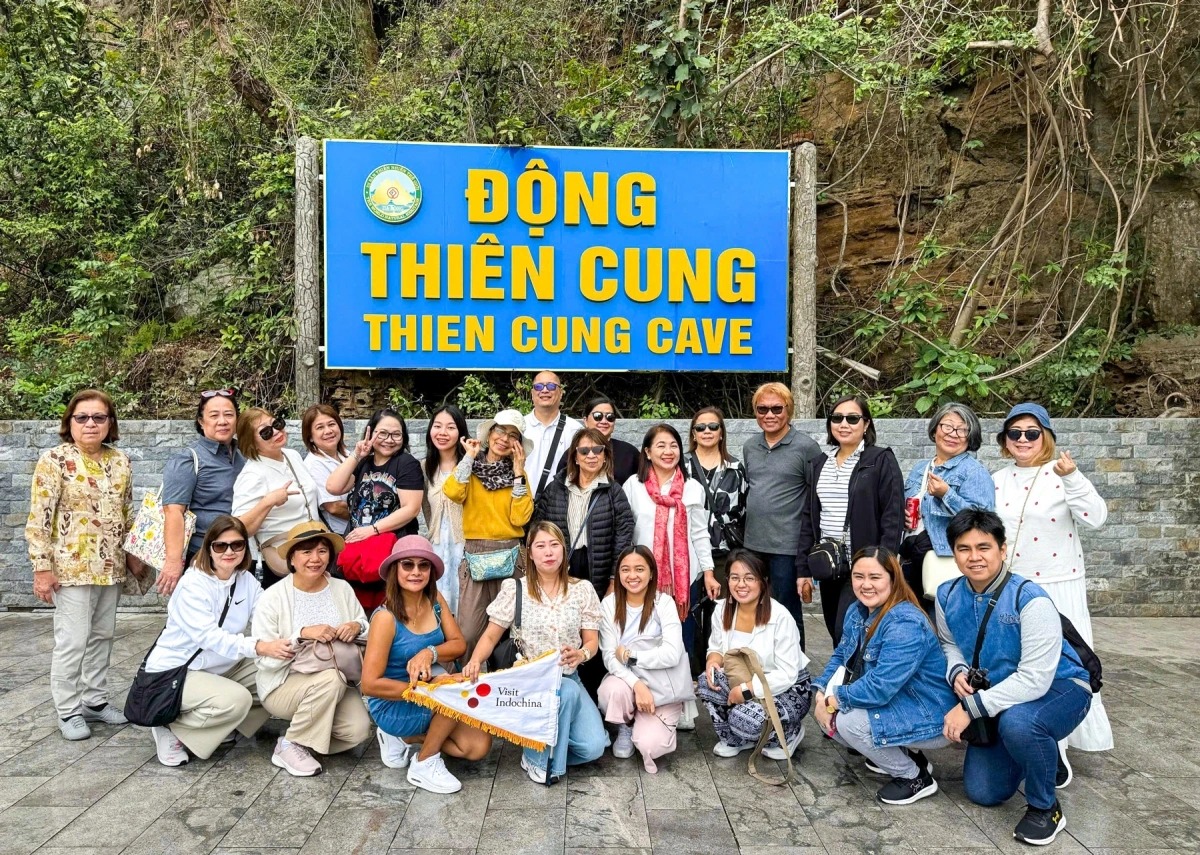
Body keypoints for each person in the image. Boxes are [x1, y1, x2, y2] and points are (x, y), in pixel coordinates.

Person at [937, 510, 1093, 846]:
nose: (974, 557)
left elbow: (1036, 679)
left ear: (1002, 550)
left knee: (1020, 724)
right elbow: (950, 644)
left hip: (1060, 688)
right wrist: (957, 671)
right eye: (964, 548)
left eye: (984, 547)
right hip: (1004, 693)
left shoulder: (1030, 598)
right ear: (954, 552)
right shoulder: (946, 594)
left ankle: (1044, 807)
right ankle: (1040, 755)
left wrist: (970, 707)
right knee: (984, 792)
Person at [992, 402, 1112, 763]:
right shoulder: (996, 479)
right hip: (1013, 586)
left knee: (1065, 663)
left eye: (1032, 433)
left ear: (1046, 436)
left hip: (1058, 584)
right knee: (1020, 662)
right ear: (1005, 440)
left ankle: (1055, 746)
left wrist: (1073, 477)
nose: (1023, 439)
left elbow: (1097, 518)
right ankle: (1020, 735)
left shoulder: (1062, 473)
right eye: (1016, 433)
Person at [27, 389, 139, 740]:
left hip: (110, 566)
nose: (90, 424)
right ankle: (68, 709)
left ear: (110, 423)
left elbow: (128, 512)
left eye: (99, 417)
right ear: (70, 422)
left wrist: (136, 553)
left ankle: (95, 701)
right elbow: (39, 519)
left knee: (102, 637)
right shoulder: (54, 460)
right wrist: (42, 568)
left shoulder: (120, 461)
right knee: (73, 640)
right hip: (70, 569)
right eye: (82, 418)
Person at [463, 522, 607, 783]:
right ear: (530, 553)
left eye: (554, 545)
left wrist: (581, 654)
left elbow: (591, 642)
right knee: (568, 692)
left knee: (593, 748)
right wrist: (475, 661)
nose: (548, 552)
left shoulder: (582, 589)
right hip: (531, 684)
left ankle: (544, 749)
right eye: (540, 546)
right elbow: (491, 635)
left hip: (569, 676)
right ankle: (540, 763)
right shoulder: (515, 589)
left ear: (563, 550)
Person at [144, 516, 290, 766]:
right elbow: (210, 638)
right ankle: (170, 726)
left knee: (277, 675)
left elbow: (267, 614)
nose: (229, 551)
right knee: (237, 699)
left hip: (222, 666)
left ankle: (219, 725)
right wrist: (259, 646)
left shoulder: (245, 580)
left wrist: (296, 636)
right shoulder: (193, 584)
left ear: (246, 548)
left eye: (237, 545)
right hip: (179, 670)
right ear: (208, 548)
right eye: (221, 546)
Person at [812, 546, 954, 804]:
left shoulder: (905, 622)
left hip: (931, 712)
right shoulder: (857, 610)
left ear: (892, 578)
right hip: (899, 701)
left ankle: (914, 777)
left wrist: (833, 702)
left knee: (848, 723)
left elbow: (879, 687)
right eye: (858, 576)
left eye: (875, 577)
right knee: (831, 717)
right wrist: (821, 691)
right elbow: (841, 656)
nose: (866, 585)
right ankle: (908, 754)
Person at [363, 535, 492, 794]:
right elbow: (369, 684)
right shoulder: (385, 618)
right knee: (449, 691)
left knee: (477, 747)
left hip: (428, 689)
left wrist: (429, 652)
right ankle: (424, 761)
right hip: (394, 702)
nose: (416, 572)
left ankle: (408, 738)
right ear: (394, 570)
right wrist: (428, 690)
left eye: (423, 566)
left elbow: (459, 644)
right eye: (407, 565)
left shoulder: (434, 600)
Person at [252, 521, 372, 777]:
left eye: (322, 551)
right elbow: (265, 661)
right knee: (331, 679)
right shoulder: (272, 598)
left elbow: (366, 627)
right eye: (306, 552)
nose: (315, 559)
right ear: (292, 559)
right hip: (284, 684)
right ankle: (291, 744)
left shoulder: (341, 588)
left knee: (358, 731)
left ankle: (305, 741)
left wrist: (356, 626)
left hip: (336, 680)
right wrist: (302, 634)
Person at [533, 428, 635, 697]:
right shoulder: (555, 488)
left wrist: (614, 578)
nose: (591, 455)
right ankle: (559, 687)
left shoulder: (613, 491)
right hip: (562, 566)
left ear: (605, 456)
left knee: (595, 627)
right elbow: (538, 525)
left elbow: (624, 534)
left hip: (597, 568)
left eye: (597, 450)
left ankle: (592, 696)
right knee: (564, 623)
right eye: (584, 450)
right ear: (575, 456)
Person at [796, 395, 905, 646]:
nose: (844, 424)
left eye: (852, 418)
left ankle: (854, 682)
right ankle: (845, 680)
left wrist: (884, 563)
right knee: (836, 630)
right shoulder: (819, 463)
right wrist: (803, 570)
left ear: (866, 424)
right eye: (837, 418)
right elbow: (809, 518)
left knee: (850, 629)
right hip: (828, 562)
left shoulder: (879, 460)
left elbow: (893, 516)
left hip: (864, 562)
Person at [697, 549, 812, 760]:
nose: (741, 585)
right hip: (742, 676)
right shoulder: (722, 610)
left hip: (786, 688)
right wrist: (713, 659)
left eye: (749, 578)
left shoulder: (780, 616)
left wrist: (748, 690)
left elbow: (787, 674)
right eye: (735, 578)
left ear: (763, 581)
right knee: (707, 680)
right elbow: (715, 647)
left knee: (747, 721)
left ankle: (788, 734)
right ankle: (735, 739)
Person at [443, 409, 534, 658]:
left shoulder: (519, 475)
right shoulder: (470, 469)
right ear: (490, 433)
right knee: (469, 631)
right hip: (476, 555)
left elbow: (520, 518)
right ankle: (464, 685)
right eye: (500, 431)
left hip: (512, 555)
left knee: (514, 631)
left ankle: (508, 685)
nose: (504, 438)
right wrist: (469, 456)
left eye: (512, 435)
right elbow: (452, 492)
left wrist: (518, 472)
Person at [741, 382, 820, 649]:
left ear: (789, 410)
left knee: (786, 612)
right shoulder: (750, 446)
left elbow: (814, 499)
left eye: (777, 408)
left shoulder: (806, 448)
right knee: (753, 608)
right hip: (752, 545)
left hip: (787, 547)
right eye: (762, 409)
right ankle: (761, 663)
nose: (769, 415)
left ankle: (796, 671)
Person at [622, 424, 715, 645]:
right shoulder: (633, 486)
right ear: (647, 452)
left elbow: (700, 534)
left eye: (674, 446)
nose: (668, 452)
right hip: (643, 578)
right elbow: (626, 534)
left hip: (684, 579)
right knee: (646, 636)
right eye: (661, 446)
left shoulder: (692, 488)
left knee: (682, 639)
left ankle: (682, 679)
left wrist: (709, 572)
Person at [598, 546, 687, 773]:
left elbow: (672, 653)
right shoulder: (609, 604)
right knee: (612, 691)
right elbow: (609, 656)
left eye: (639, 569)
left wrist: (632, 656)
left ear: (651, 573)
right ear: (618, 574)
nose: (632, 576)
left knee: (651, 747)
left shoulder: (663, 603)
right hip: (627, 680)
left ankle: (651, 723)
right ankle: (625, 726)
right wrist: (637, 685)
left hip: (662, 683)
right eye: (625, 569)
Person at [325, 407, 424, 610]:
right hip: (359, 554)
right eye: (383, 433)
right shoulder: (364, 464)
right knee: (358, 611)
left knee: (388, 609)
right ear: (370, 433)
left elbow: (411, 508)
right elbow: (333, 487)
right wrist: (357, 455)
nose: (389, 439)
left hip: (389, 552)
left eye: (396, 434)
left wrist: (372, 530)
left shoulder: (406, 463)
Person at [901, 403, 995, 602]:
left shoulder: (974, 471)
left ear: (971, 437)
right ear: (935, 430)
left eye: (962, 430)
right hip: (910, 558)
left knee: (942, 621)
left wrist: (946, 494)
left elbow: (985, 521)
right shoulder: (920, 468)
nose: (954, 434)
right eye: (948, 426)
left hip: (944, 559)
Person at [159, 388, 245, 595]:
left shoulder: (243, 456)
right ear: (201, 421)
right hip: (202, 555)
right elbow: (173, 512)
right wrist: (173, 562)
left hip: (237, 552)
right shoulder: (188, 459)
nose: (222, 421)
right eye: (214, 415)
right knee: (194, 620)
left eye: (229, 414)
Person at [683, 406, 747, 674]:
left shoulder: (735, 468)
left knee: (719, 613)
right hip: (686, 551)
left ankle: (718, 670)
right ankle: (690, 670)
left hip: (723, 553)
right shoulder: (681, 465)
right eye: (701, 427)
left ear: (721, 433)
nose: (707, 432)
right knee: (687, 613)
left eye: (713, 427)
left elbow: (743, 510)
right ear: (693, 434)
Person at [232, 408, 319, 585]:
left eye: (277, 424)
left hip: (313, 549)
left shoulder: (292, 456)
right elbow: (239, 528)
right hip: (281, 561)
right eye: (265, 432)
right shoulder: (252, 474)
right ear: (252, 442)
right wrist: (269, 501)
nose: (277, 432)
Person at [422, 405, 469, 614]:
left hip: (466, 545)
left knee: (465, 602)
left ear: (460, 432)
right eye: (437, 426)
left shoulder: (471, 465)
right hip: (438, 546)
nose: (442, 433)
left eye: (450, 427)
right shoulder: (424, 468)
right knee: (437, 603)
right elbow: (424, 508)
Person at [523, 370, 582, 498]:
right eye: (538, 386)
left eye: (551, 386)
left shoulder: (575, 430)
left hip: (560, 506)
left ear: (560, 393)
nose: (544, 390)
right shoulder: (519, 427)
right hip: (522, 504)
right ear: (532, 394)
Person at [301, 404, 352, 535]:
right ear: (310, 436)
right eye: (320, 427)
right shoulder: (314, 465)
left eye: (331, 424)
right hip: (343, 535)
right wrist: (367, 516)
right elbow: (334, 507)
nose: (328, 431)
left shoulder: (347, 454)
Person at [576, 395, 639, 485]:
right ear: (585, 421)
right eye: (598, 416)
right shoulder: (575, 451)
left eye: (610, 417)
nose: (604, 421)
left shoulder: (629, 452)